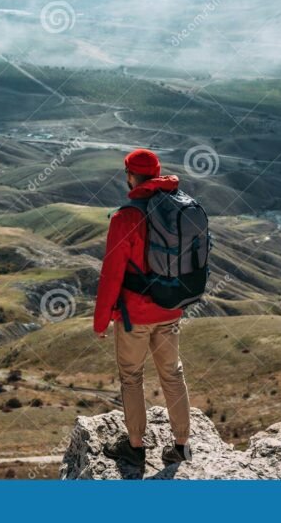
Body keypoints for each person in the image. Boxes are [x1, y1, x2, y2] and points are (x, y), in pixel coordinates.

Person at [93, 148, 191, 467]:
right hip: (171, 307)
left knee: (132, 376)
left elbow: (112, 275)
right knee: (172, 374)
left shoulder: (125, 217)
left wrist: (101, 320)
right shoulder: (178, 209)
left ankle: (135, 446)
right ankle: (181, 445)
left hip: (135, 314)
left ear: (131, 176)